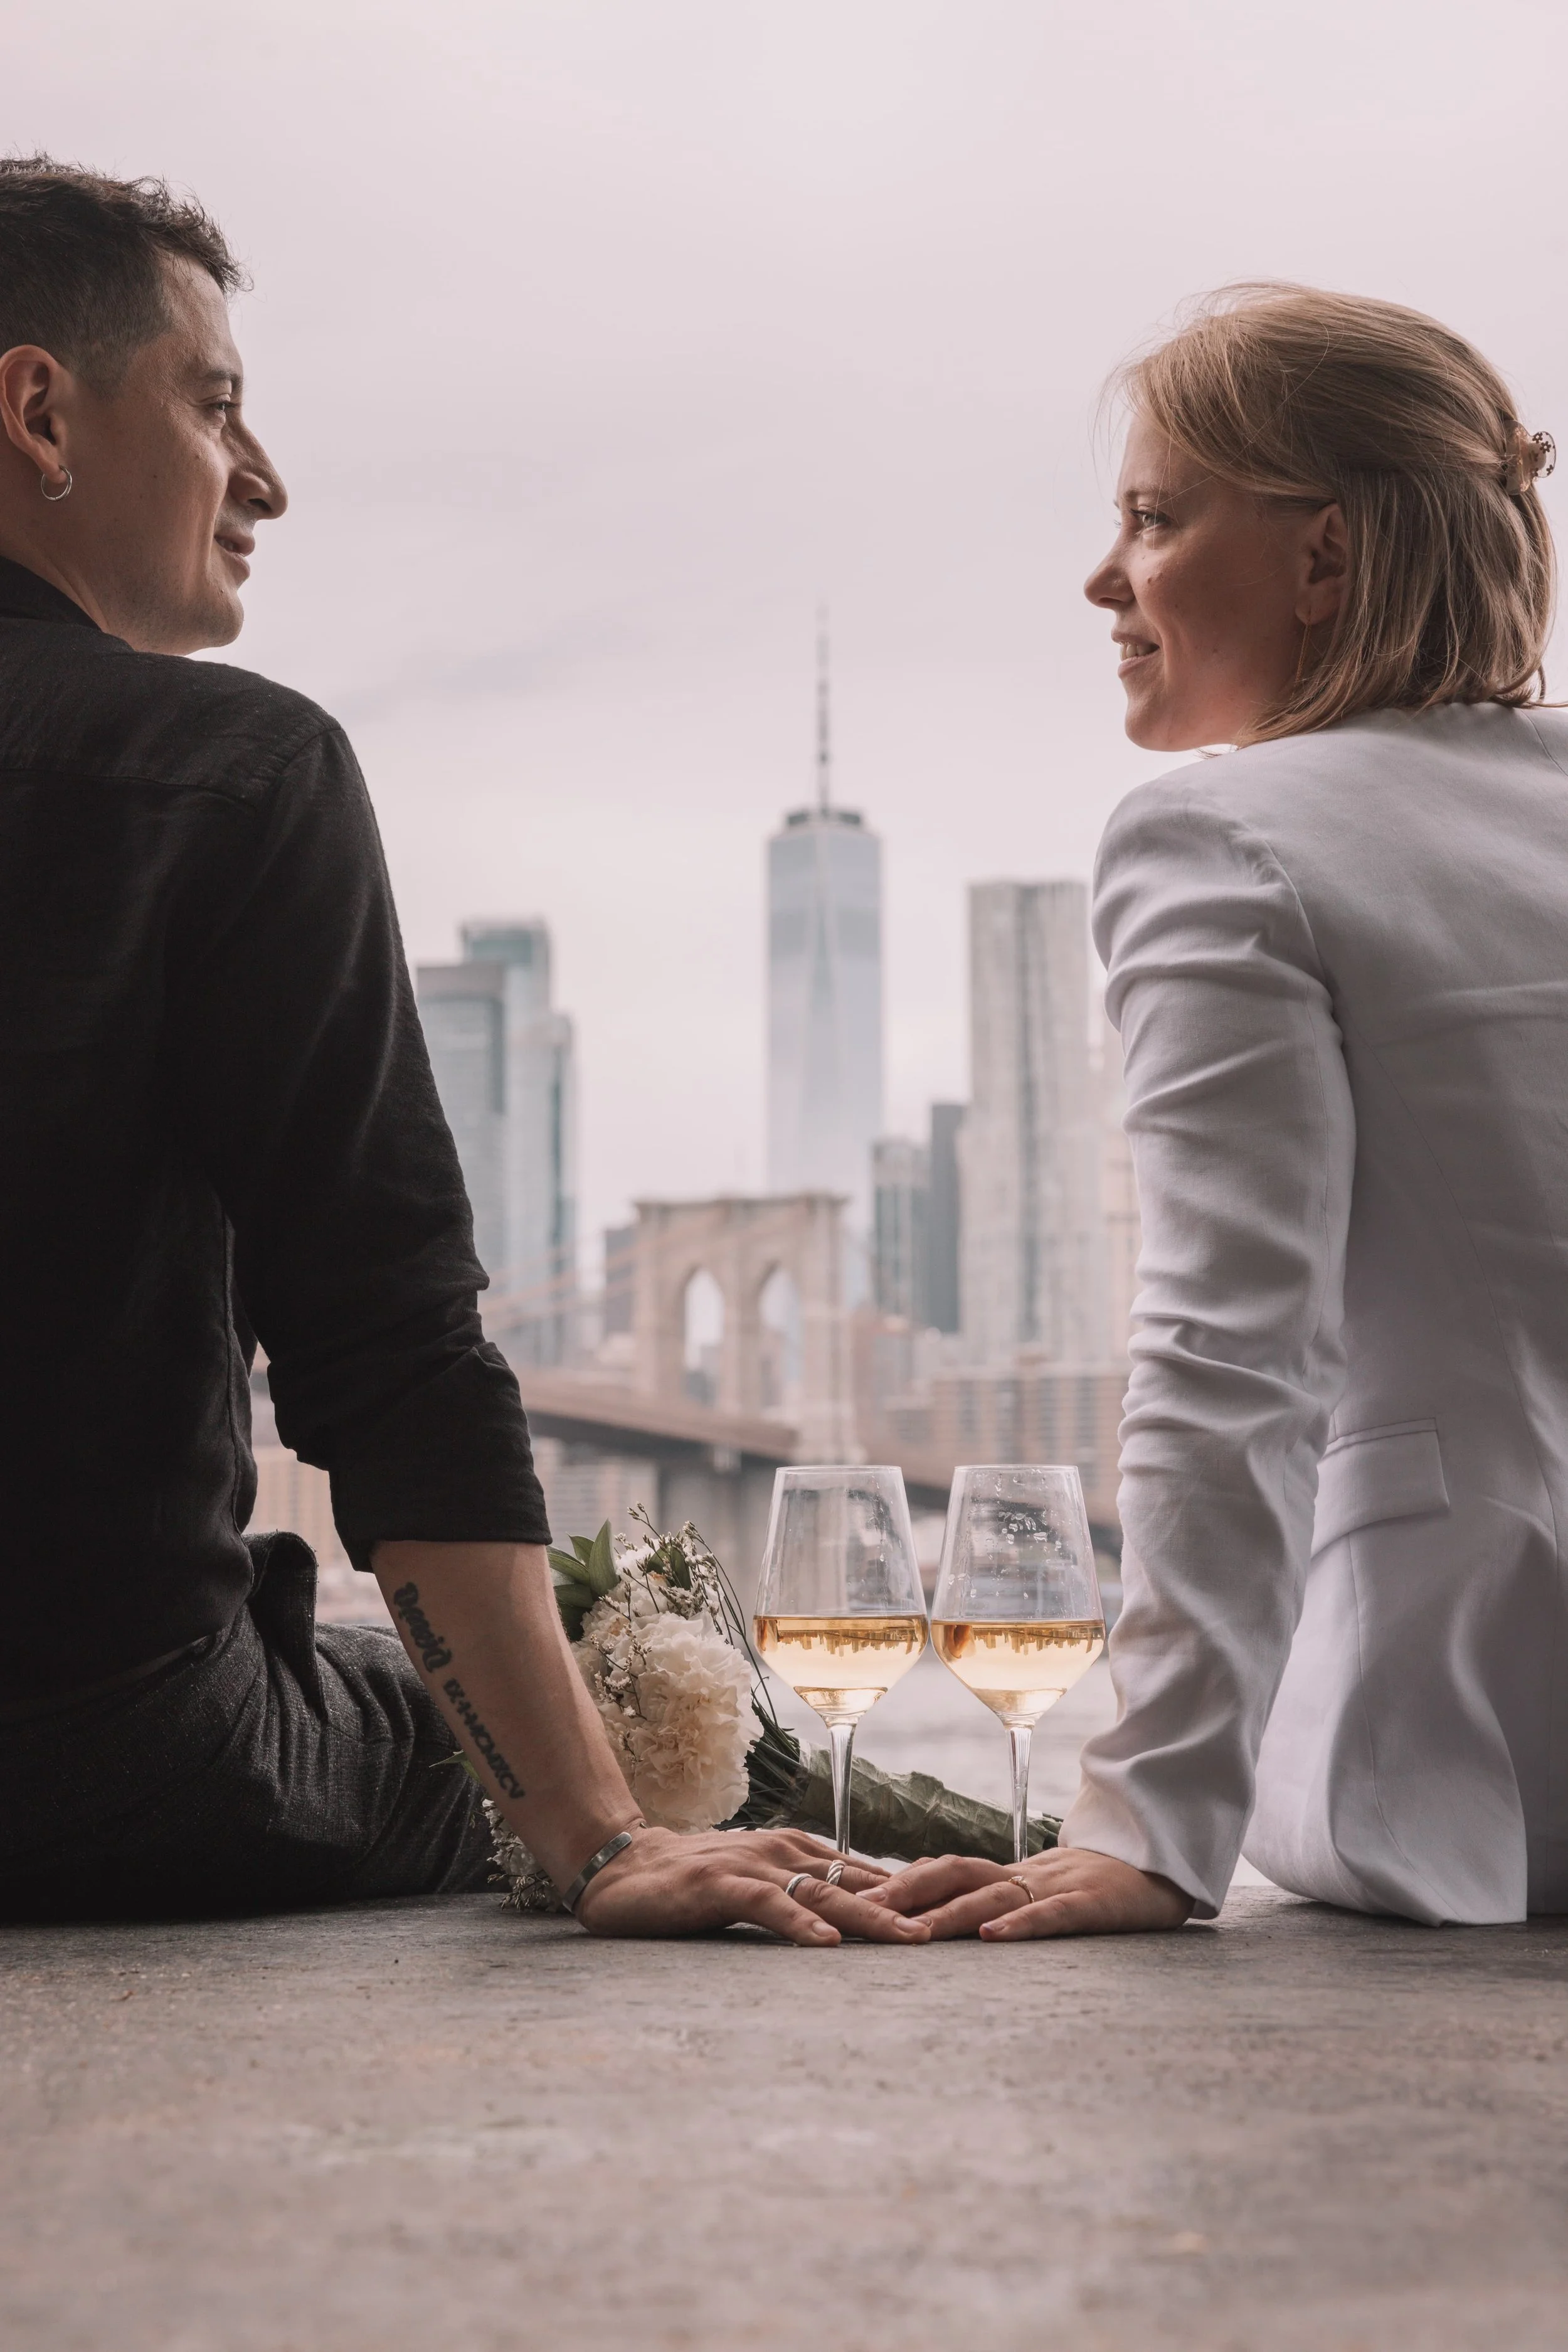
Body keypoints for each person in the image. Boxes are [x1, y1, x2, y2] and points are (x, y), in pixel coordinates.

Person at [0, 156, 926, 1949]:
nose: (265, 481)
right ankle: (996, 1853)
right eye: (215, 407)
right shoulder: (232, 777)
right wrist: (593, 1839)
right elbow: (386, 1348)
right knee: (591, 1699)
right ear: (38, 408)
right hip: (88, 1760)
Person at [872, 282, 1566, 1939]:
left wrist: (1152, 1821)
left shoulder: (1220, 837)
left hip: (1472, 1759)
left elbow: (1225, 1345)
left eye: (1153, 518)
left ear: (1321, 558)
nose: (1103, 578)